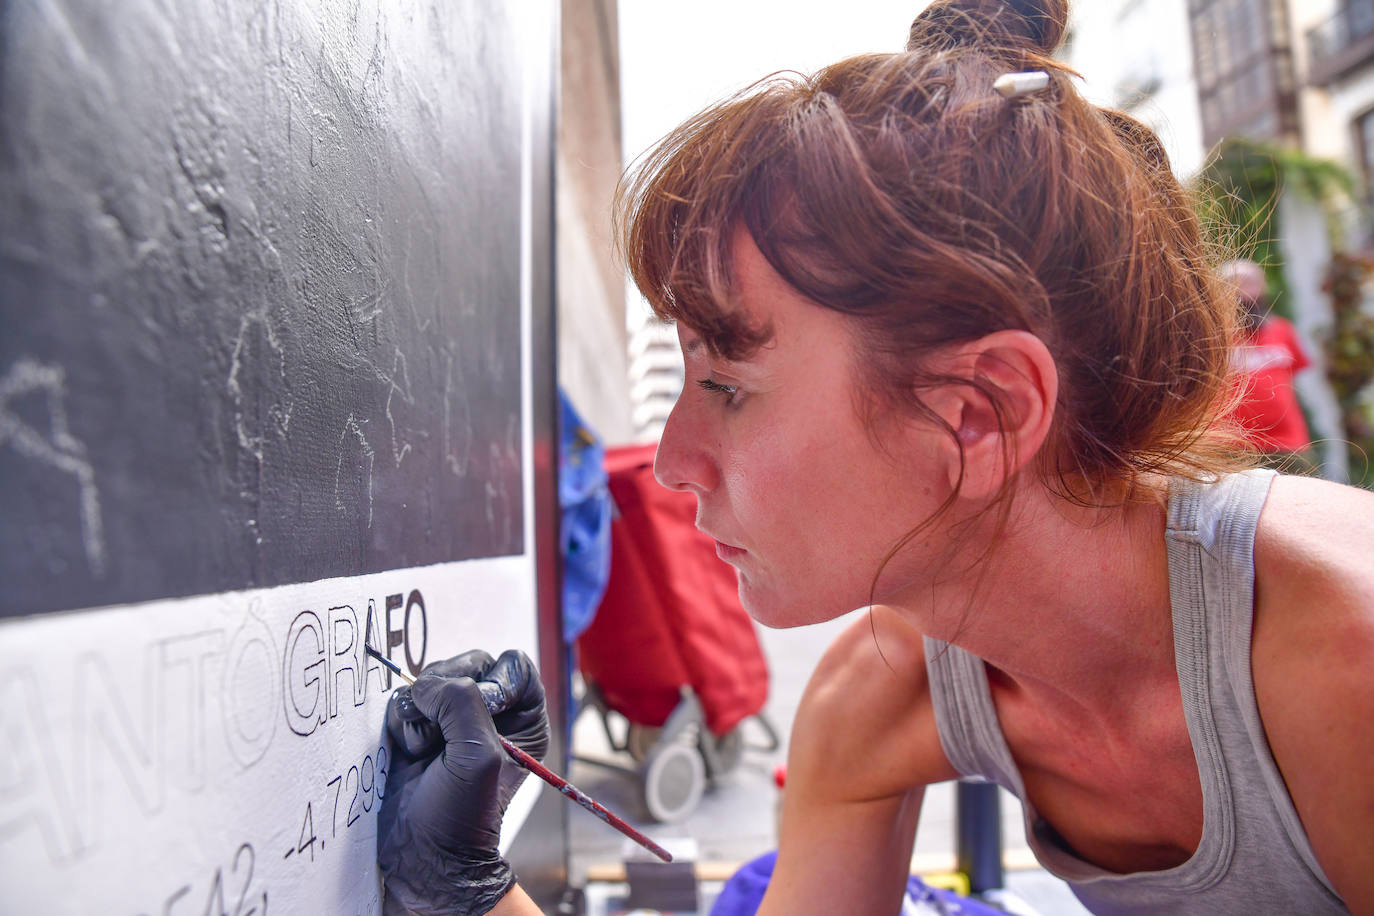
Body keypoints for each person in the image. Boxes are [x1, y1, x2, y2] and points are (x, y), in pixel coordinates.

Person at [377, 0, 1374, 913]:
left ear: (977, 414)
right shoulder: (880, 693)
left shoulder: (1344, 662)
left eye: (727, 382)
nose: (673, 459)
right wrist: (472, 884)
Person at [1220, 258, 1317, 472]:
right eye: (1232, 284)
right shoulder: (1213, 340)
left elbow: (1296, 376)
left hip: (1289, 445)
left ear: (1262, 287)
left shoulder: (1283, 330)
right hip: (1231, 449)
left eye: (1249, 282)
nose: (1242, 292)